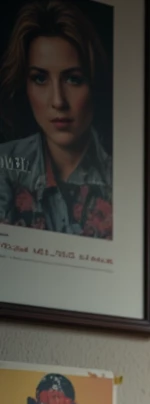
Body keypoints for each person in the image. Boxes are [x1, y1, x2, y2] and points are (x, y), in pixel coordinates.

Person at [0, 0, 113, 239]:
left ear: (94, 83)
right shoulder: (5, 167)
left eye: (73, 79)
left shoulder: (119, 176)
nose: (58, 101)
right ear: (25, 85)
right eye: (40, 79)